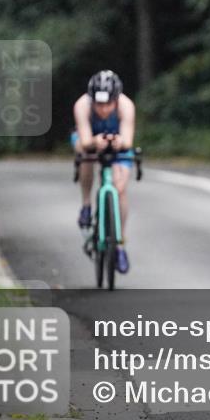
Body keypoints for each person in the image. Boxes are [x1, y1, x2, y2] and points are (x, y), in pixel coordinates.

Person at [71, 70, 136, 273]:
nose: (104, 109)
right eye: (99, 104)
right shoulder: (82, 106)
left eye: (108, 104)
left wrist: (117, 143)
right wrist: (93, 143)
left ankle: (119, 244)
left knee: (120, 187)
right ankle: (86, 204)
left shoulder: (126, 106)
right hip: (89, 140)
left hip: (118, 144)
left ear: (116, 99)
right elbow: (84, 139)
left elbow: (127, 140)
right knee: (86, 156)